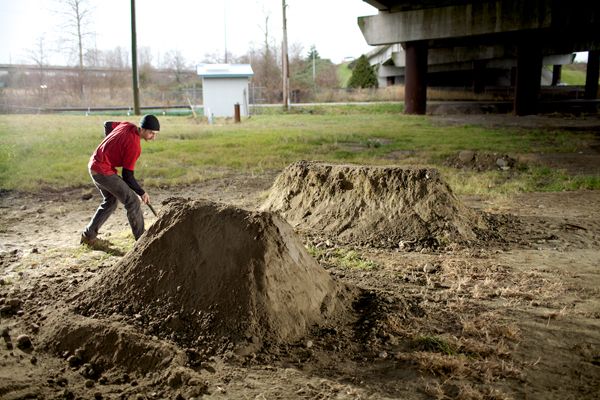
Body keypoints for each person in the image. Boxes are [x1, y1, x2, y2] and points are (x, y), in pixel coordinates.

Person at [80, 114, 160, 246]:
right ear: (143, 129)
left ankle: (88, 236)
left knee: (111, 201)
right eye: (151, 133)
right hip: (103, 171)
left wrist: (110, 148)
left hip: (94, 165)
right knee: (133, 201)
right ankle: (142, 242)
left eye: (155, 134)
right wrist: (141, 192)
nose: (153, 137)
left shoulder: (127, 125)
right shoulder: (134, 146)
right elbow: (127, 176)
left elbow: (107, 124)